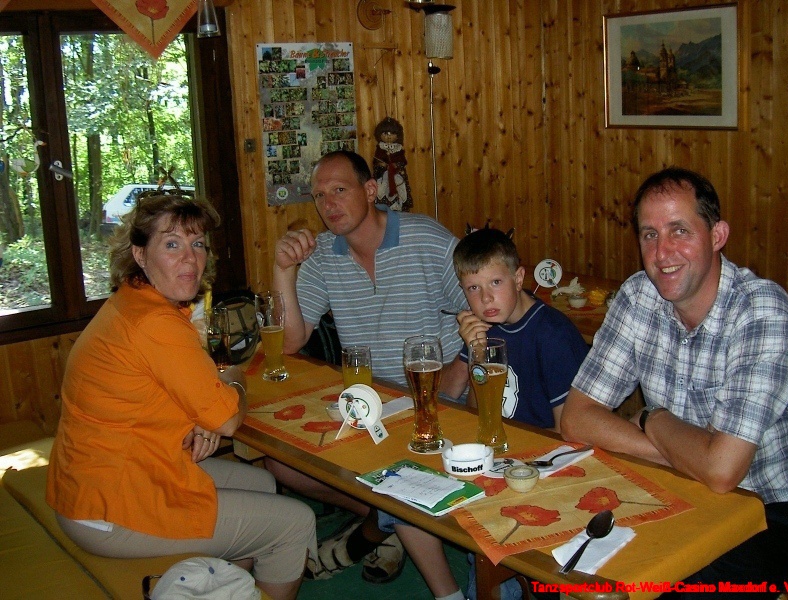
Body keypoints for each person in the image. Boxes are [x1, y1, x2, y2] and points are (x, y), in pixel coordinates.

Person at [45, 192, 316, 600]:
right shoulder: (154, 321)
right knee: (295, 522)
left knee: (262, 483)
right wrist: (234, 380)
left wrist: (201, 413)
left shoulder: (134, 301)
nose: (190, 258)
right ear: (140, 254)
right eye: (172, 244)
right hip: (108, 509)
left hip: (105, 479)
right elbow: (228, 418)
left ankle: (227, 589)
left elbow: (169, 390)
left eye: (198, 244)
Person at [561, 167, 788, 597]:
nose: (662, 252)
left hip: (769, 510)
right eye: (649, 234)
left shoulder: (762, 312)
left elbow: (723, 473)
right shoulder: (639, 295)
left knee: (658, 587)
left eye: (679, 230)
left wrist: (651, 418)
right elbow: (577, 418)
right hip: (671, 488)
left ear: (717, 235)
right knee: (568, 557)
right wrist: (688, 454)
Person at [270, 150, 467, 590]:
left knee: (405, 475)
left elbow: (486, 308)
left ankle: (389, 533)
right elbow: (289, 342)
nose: (329, 204)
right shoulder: (323, 255)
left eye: (340, 190)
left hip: (436, 400)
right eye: (320, 196)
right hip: (372, 404)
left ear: (371, 190)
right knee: (283, 466)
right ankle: (386, 521)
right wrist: (283, 270)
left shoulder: (425, 238)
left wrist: (460, 372)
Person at [435, 227, 589, 599]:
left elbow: (569, 438)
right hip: (499, 459)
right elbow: (463, 406)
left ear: (519, 278)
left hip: (545, 470)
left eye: (496, 283)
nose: (485, 298)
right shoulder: (482, 330)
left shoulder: (551, 335)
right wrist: (473, 353)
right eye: (473, 288)